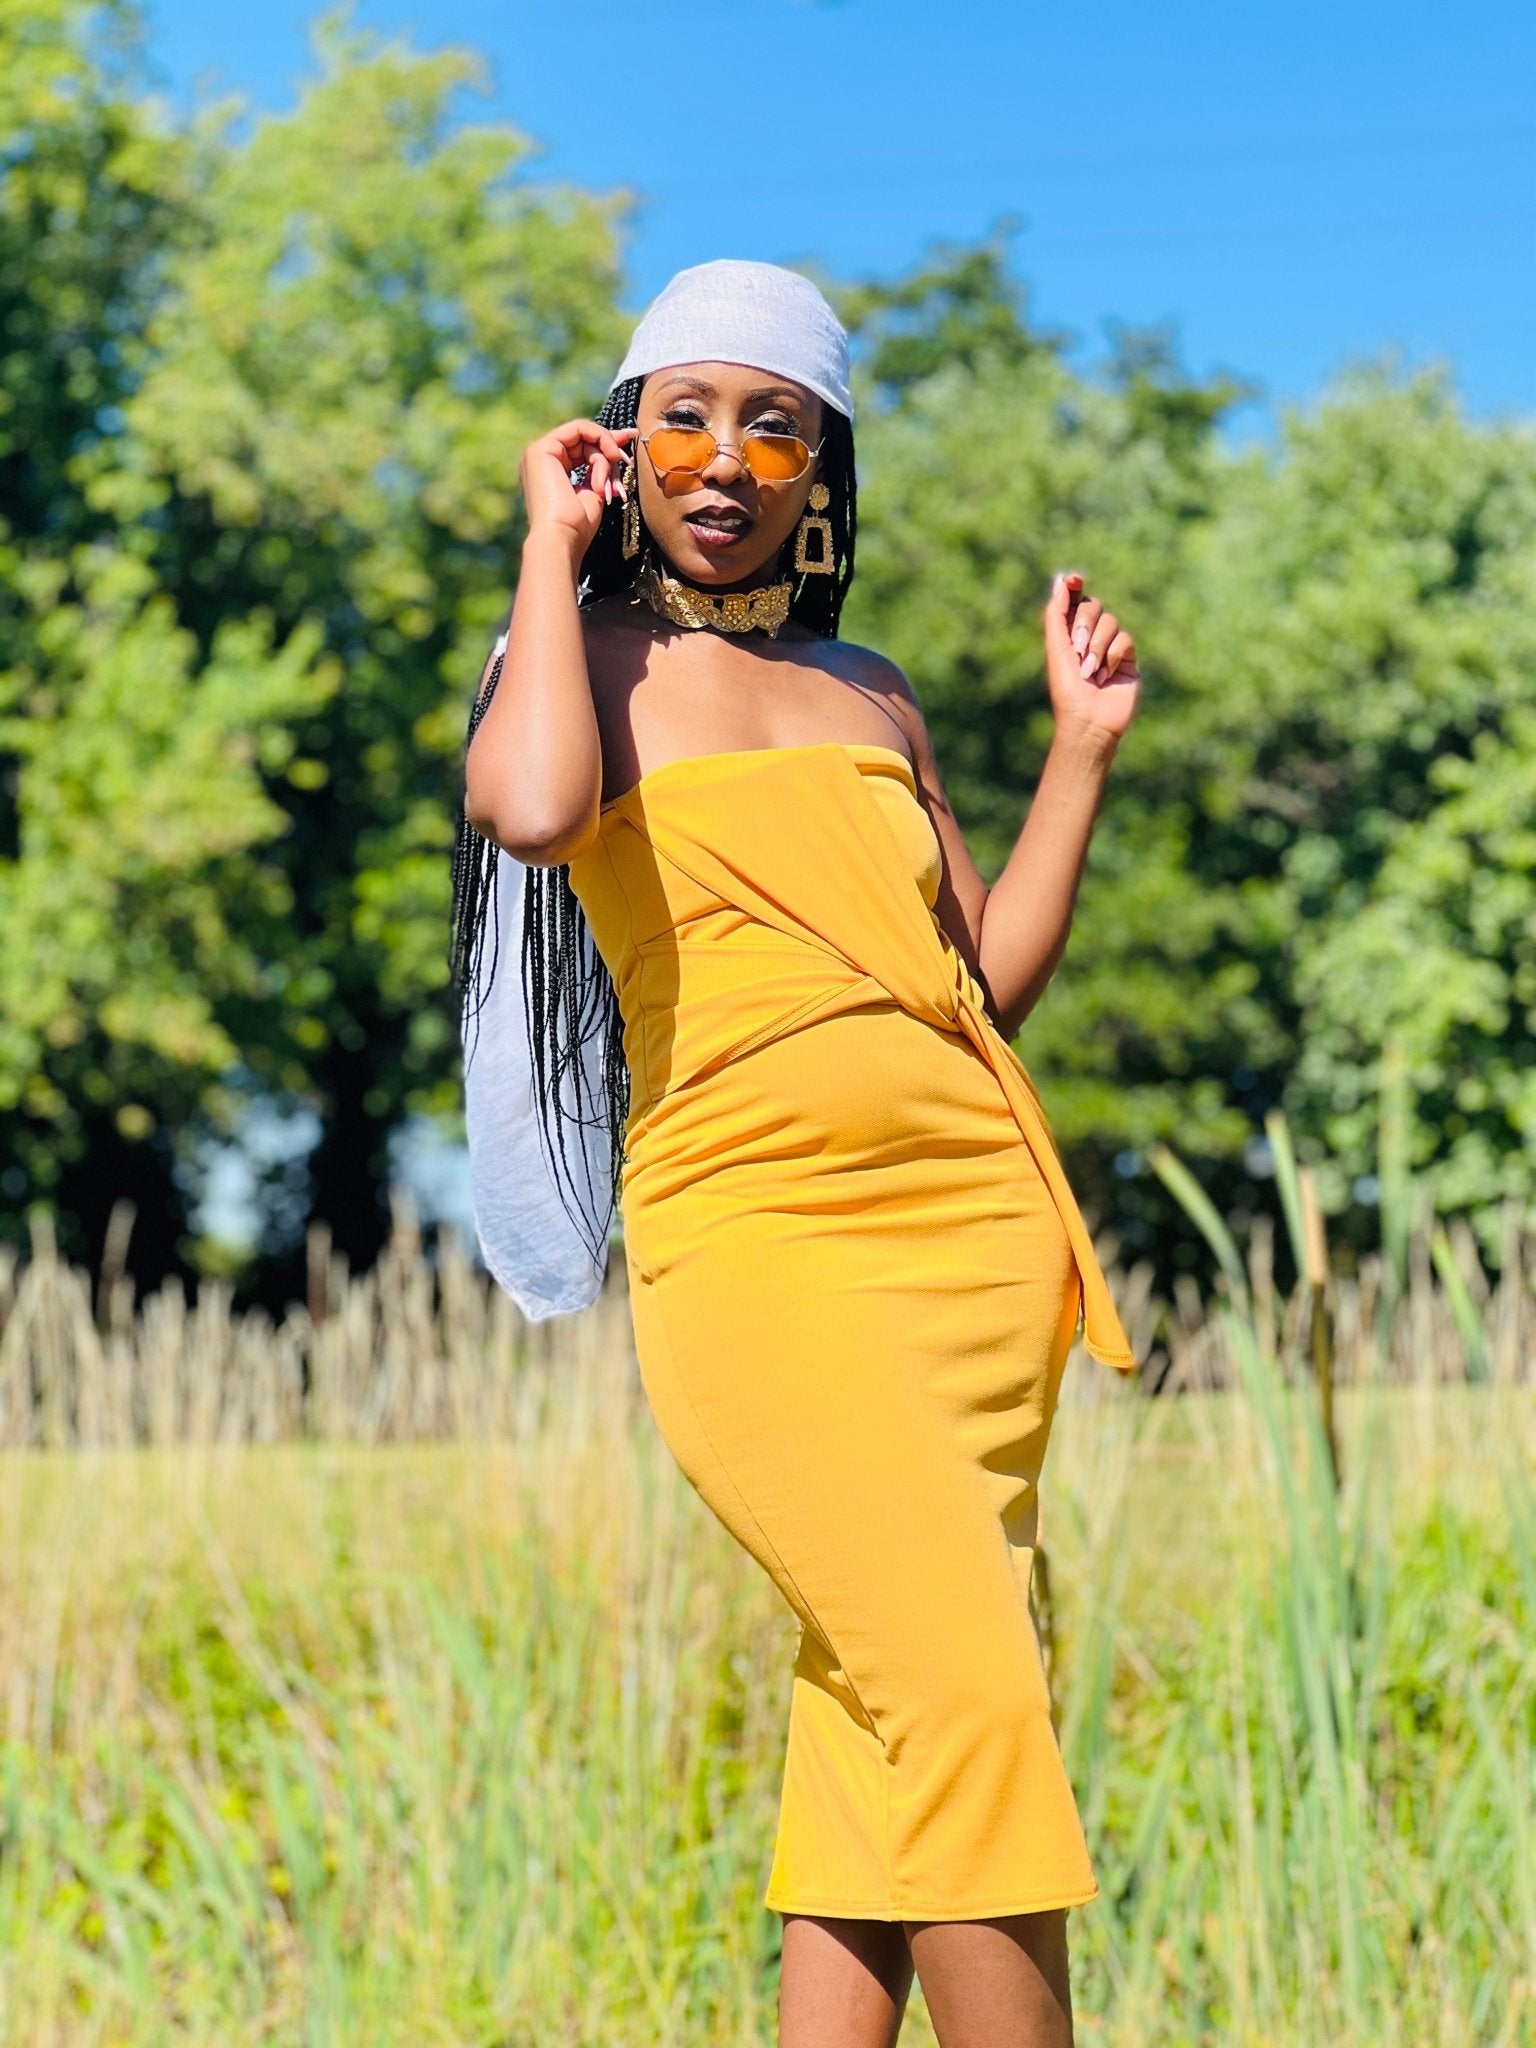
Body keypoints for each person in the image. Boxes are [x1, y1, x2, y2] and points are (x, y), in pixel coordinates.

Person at [453, 258, 1143, 2048]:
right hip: (757, 1244)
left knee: (885, 1699)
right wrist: (546, 546)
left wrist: (1078, 755)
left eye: (774, 427)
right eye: (683, 416)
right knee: (969, 1698)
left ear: (818, 470)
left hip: (978, 1243)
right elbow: (532, 812)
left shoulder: (872, 693)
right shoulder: (582, 662)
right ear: (623, 443)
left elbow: (983, 983)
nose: (725, 458)